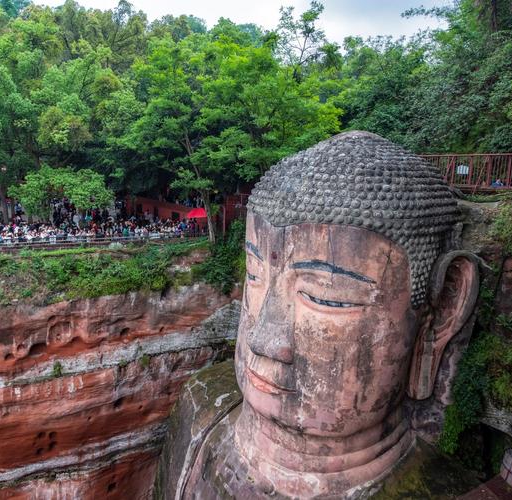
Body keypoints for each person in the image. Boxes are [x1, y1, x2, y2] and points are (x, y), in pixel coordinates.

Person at [157, 131, 480, 498]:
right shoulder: (198, 406)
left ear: (440, 314)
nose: (262, 339)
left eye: (325, 297)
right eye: (253, 275)